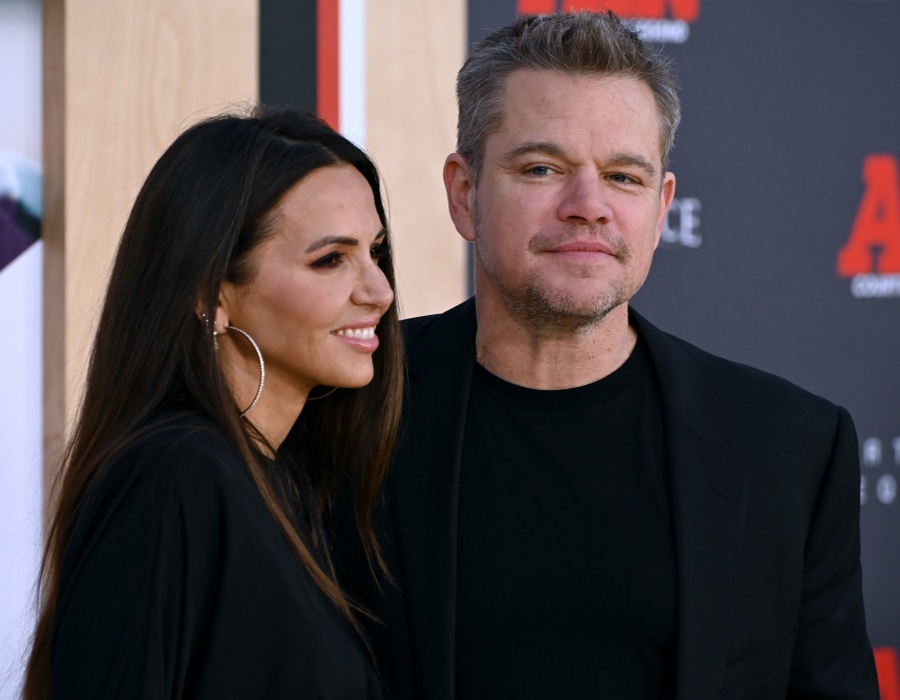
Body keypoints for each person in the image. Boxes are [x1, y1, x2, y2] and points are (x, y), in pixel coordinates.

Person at [336, 11, 880, 700]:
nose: (588, 206)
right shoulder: (344, 409)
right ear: (465, 194)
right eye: (542, 168)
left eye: (623, 177)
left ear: (661, 207)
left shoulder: (790, 446)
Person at [24, 107, 403, 699]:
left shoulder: (282, 482)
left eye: (375, 252)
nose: (379, 291)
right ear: (211, 295)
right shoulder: (176, 474)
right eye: (330, 259)